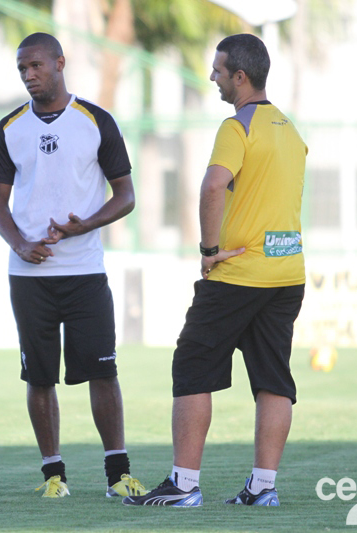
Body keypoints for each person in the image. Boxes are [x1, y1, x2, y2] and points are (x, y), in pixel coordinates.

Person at [124, 33, 307, 508]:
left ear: (240, 77)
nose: (212, 76)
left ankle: (184, 486)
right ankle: (262, 489)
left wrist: (208, 249)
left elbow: (212, 187)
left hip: (238, 273)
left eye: (219, 70)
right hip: (287, 275)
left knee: (191, 367)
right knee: (273, 380)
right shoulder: (289, 127)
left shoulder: (237, 126)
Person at [0, 32, 147, 500]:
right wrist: (18, 244)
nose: (28, 75)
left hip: (84, 273)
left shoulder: (95, 121)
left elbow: (126, 196)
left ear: (60, 63)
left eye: (35, 65)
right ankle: (53, 475)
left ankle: (118, 474)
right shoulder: (9, 128)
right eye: (22, 69)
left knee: (103, 372)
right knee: (39, 378)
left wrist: (85, 226)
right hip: (29, 278)